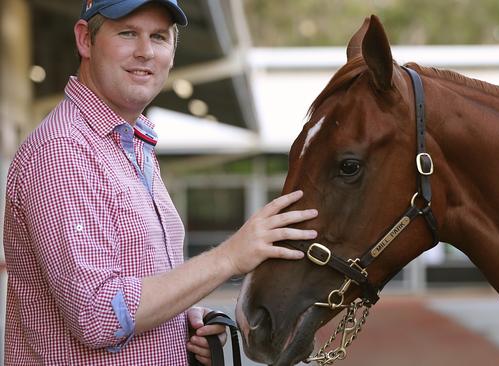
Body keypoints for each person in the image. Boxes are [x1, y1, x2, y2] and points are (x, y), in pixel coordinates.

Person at [2, 0, 317, 364]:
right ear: (85, 40)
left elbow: (136, 291)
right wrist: (231, 257)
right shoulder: (64, 151)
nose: (145, 52)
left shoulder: (130, 144)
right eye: (127, 33)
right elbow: (99, 316)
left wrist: (179, 321)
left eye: (159, 37)